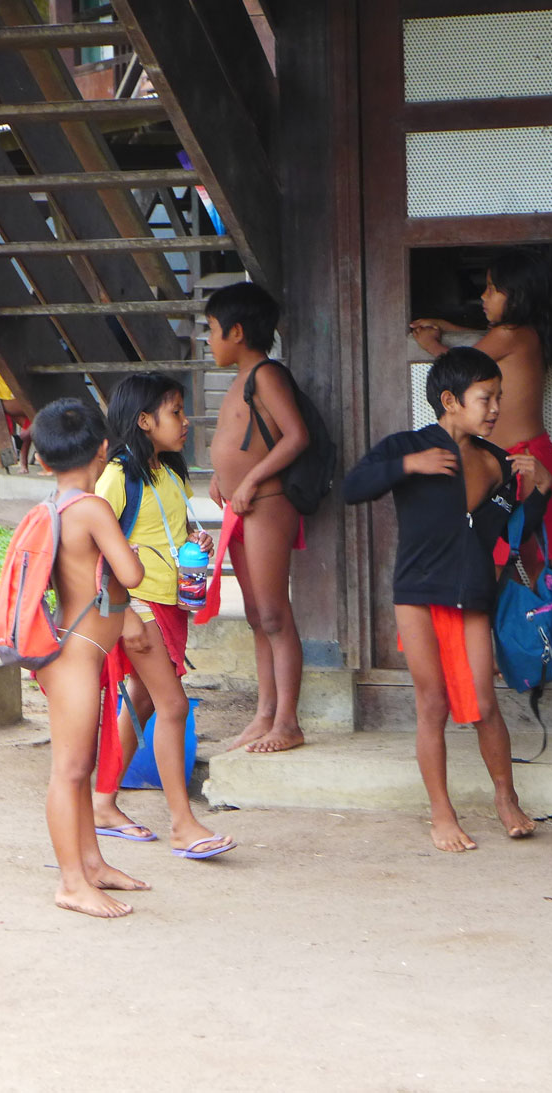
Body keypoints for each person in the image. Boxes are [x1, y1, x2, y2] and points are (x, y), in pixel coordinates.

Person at [343, 347, 552, 852]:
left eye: (499, 397)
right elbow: (352, 487)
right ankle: (441, 813)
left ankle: (506, 799)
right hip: (417, 592)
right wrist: (408, 464)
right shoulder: (409, 445)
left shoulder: (500, 461)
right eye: (486, 397)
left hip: (473, 593)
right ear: (450, 400)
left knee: (483, 704)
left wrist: (539, 488)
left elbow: (507, 531)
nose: (497, 407)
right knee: (432, 703)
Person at [91, 373, 234, 860]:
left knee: (145, 701)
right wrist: (124, 613)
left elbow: (170, 530)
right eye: (176, 412)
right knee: (172, 706)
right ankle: (183, 824)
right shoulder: (116, 477)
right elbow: (95, 549)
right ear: (145, 421)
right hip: (139, 607)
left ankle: (103, 803)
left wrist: (196, 545)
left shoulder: (169, 473)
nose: (185, 420)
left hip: (169, 604)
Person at [26, 398, 150, 918]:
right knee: (70, 770)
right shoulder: (92, 509)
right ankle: (70, 882)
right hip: (78, 654)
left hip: (70, 649)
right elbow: (133, 575)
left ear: (42, 459)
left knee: (80, 766)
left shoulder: (53, 507)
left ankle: (92, 865)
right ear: (104, 449)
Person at [409, 251, 552, 579]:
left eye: (493, 289)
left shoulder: (510, 334)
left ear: (517, 295)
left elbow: (462, 367)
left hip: (521, 461)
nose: (484, 295)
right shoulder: (525, 333)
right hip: (523, 459)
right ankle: (536, 627)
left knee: (504, 563)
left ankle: (520, 628)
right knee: (531, 565)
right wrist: (446, 328)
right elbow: (479, 345)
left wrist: (431, 345)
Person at [205, 281, 309, 754]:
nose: (209, 340)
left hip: (267, 504)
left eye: (211, 330)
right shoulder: (240, 379)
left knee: (273, 614)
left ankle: (287, 720)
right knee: (254, 614)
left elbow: (295, 437)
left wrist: (247, 482)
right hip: (242, 508)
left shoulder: (267, 375)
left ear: (237, 331)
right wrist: (222, 478)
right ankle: (264, 714)